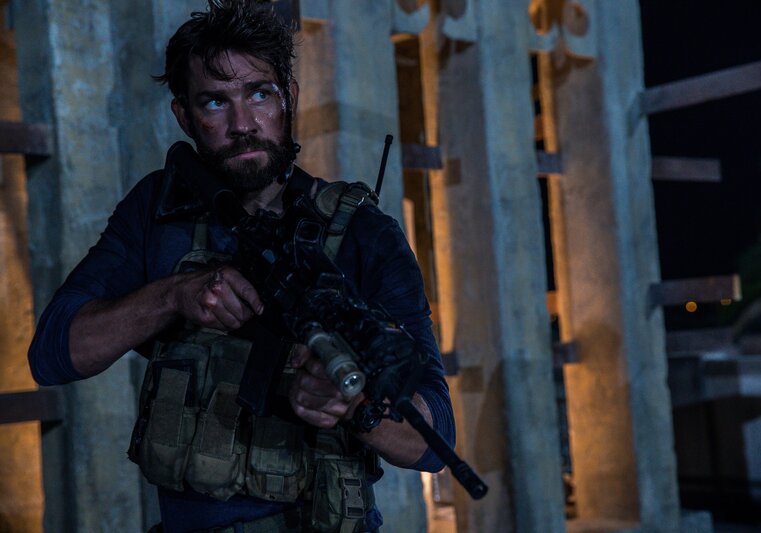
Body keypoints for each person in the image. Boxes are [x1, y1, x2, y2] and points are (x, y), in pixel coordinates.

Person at [27, 1, 454, 531]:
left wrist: (355, 406)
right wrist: (173, 295)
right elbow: (53, 355)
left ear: (289, 97)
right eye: (215, 102)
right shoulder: (160, 212)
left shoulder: (364, 233)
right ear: (184, 116)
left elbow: (437, 439)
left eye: (259, 94)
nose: (243, 124)